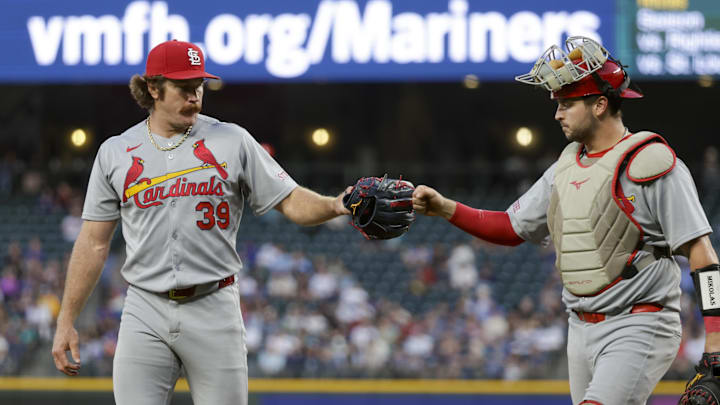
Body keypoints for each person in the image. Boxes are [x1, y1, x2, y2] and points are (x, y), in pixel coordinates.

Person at [412, 36, 719, 404]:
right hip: (580, 326)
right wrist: (445, 207)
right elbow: (510, 229)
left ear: (600, 104)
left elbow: (703, 256)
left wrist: (715, 349)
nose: (557, 114)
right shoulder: (566, 164)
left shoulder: (650, 162)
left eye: (568, 104)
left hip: (639, 321)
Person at [51, 39, 350, 405]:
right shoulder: (116, 151)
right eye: (183, 87)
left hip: (214, 304)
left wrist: (335, 204)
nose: (194, 95)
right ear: (152, 88)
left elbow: (289, 200)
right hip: (145, 307)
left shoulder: (232, 140)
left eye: (199, 86)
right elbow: (94, 242)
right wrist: (67, 320)